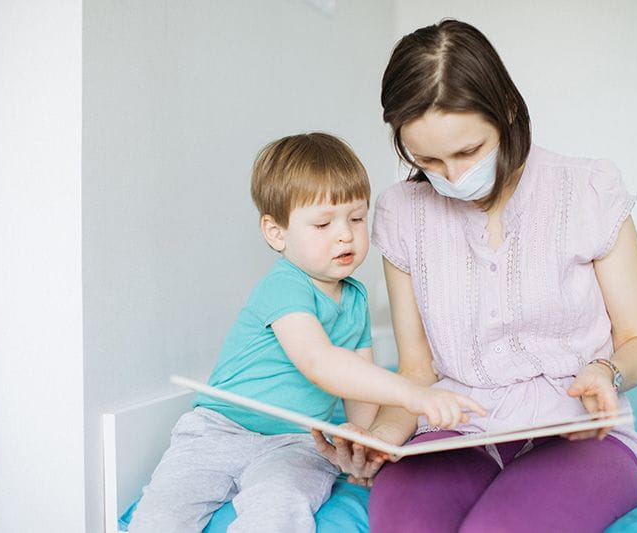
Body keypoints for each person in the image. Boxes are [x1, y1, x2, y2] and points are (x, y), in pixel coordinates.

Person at [312, 20, 637, 532]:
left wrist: (607, 373)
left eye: (468, 152)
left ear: (508, 112)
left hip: (575, 430)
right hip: (456, 427)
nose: (452, 177)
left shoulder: (588, 190)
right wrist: (379, 437)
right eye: (428, 159)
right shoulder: (402, 213)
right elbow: (416, 371)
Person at [128, 132, 485, 533]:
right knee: (162, 516)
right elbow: (320, 362)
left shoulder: (355, 298)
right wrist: (411, 393)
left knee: (281, 510)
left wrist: (363, 444)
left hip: (295, 442)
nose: (345, 234)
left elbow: (358, 389)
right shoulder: (284, 285)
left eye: (356, 218)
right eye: (322, 224)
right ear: (276, 233)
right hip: (220, 430)